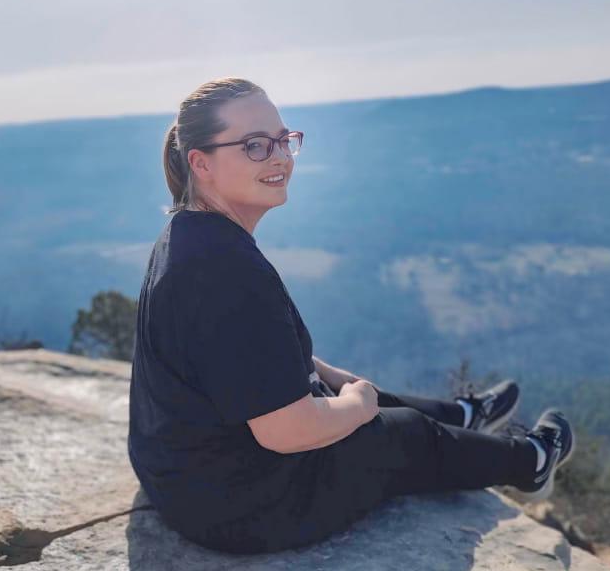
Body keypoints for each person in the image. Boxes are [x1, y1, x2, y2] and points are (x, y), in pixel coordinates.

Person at [126, 76, 576, 555]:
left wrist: (320, 372)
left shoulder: (188, 235)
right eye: (255, 146)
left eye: (283, 140)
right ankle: (529, 461)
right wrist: (359, 405)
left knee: (343, 388)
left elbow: (233, 356)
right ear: (202, 163)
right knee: (399, 434)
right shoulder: (227, 272)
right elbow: (288, 431)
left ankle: (462, 416)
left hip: (182, 478)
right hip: (243, 507)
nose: (278, 156)